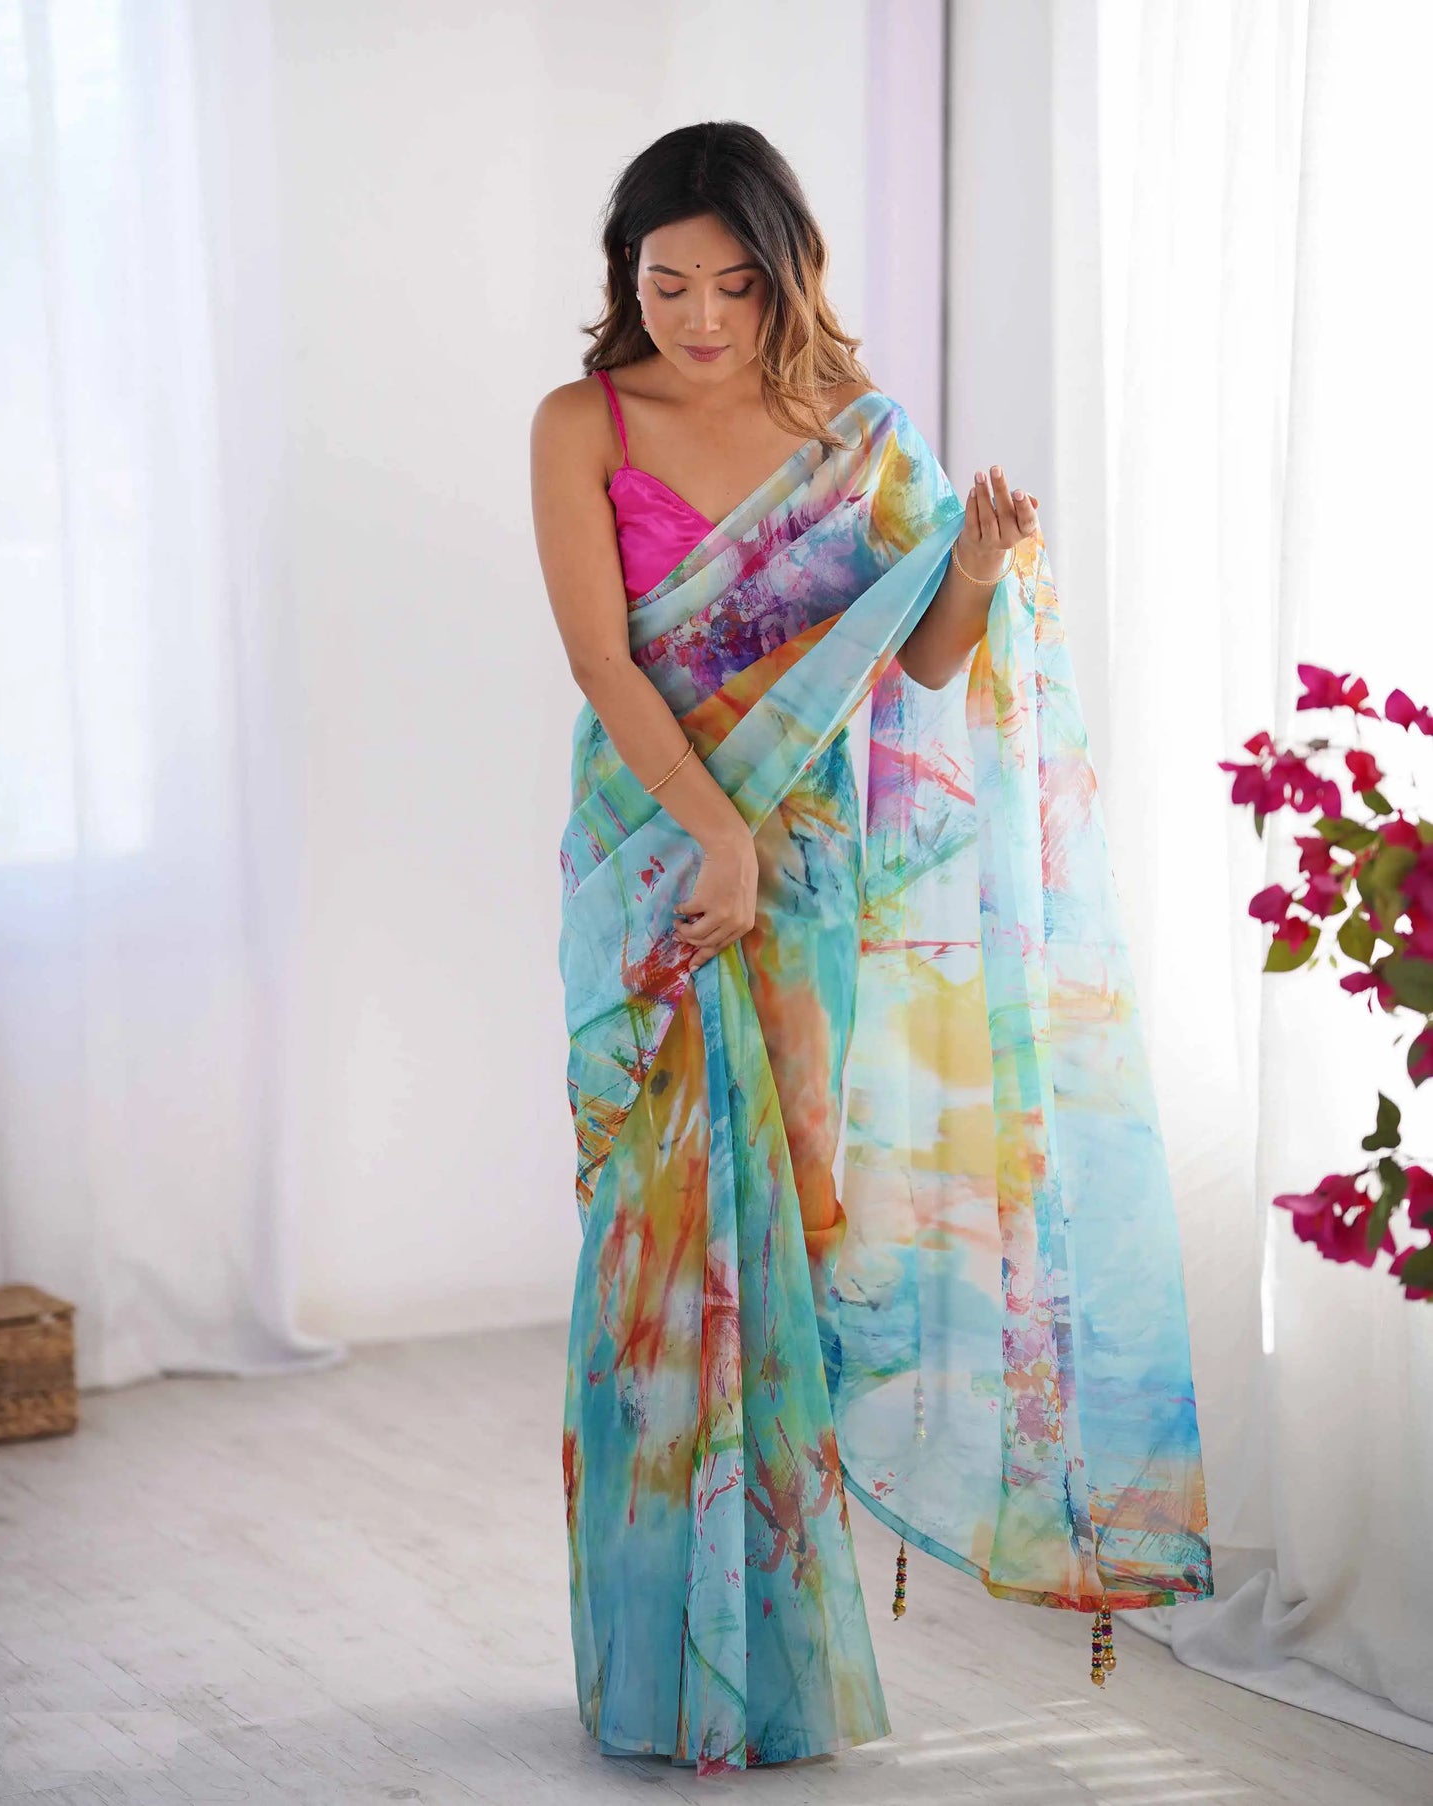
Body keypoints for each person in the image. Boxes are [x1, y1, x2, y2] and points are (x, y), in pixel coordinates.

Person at [530, 120, 1212, 1777]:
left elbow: (919, 660)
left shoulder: (861, 435)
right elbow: (603, 660)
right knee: (648, 1259)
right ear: (626, 277)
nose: (699, 316)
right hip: (657, 861)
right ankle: (652, 1668)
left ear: (788, 276)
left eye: (732, 284)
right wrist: (713, 835)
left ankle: (770, 1670)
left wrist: (969, 565)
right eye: (665, 283)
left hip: (805, 883)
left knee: (784, 1240)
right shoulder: (581, 420)